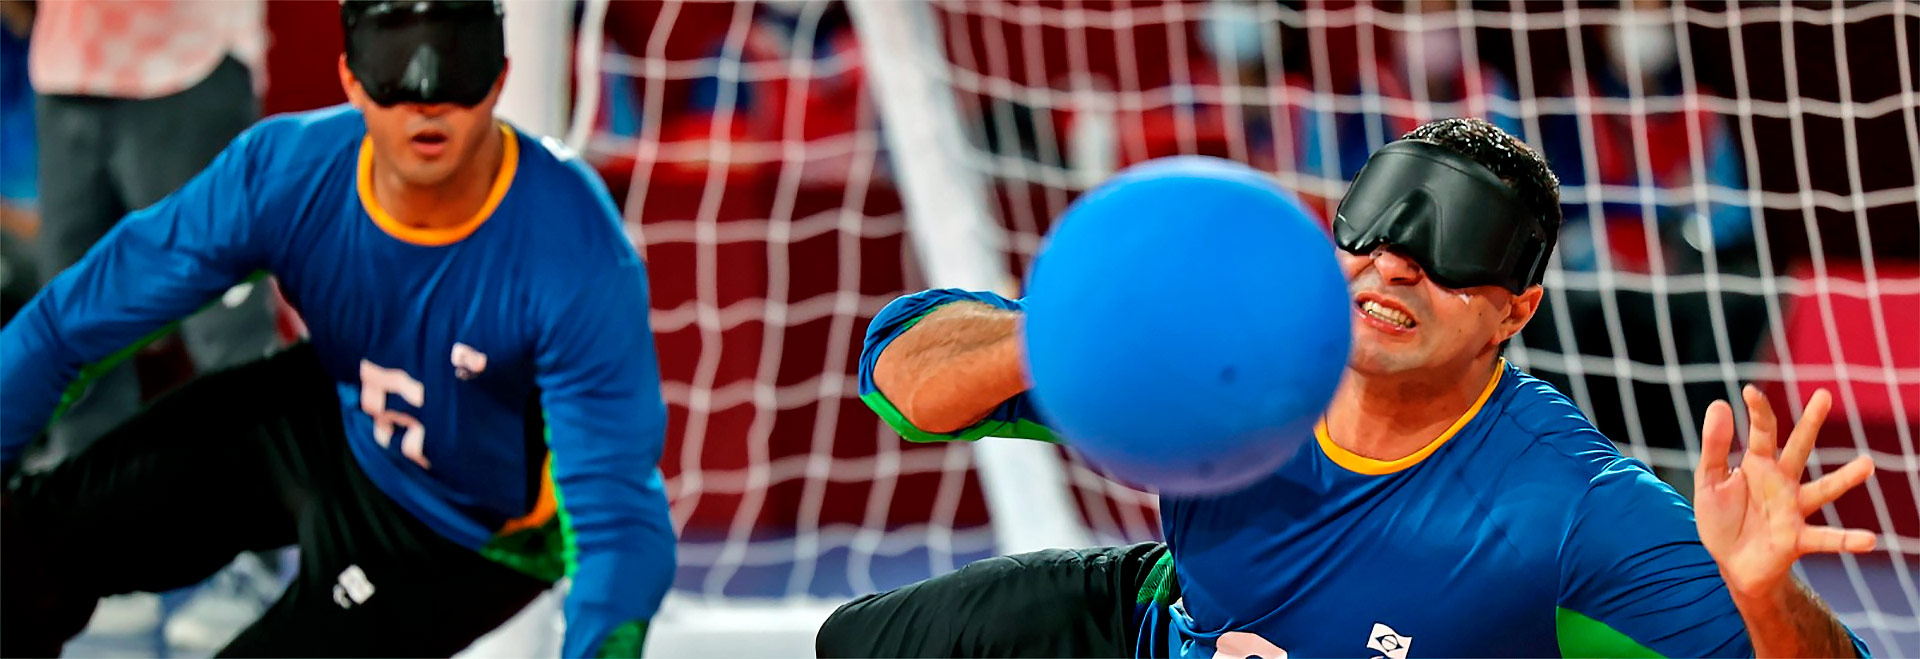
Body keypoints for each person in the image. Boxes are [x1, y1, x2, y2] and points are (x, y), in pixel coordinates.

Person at [819, 118, 1879, 658]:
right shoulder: (1240, 356)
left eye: (1455, 242)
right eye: (1377, 222)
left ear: (1516, 307)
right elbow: (900, 383)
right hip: (1165, 620)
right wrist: (1068, 331)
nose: (1396, 264)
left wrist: (1760, 588)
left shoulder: (1569, 506)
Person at [0, 2, 674, 657]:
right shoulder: (287, 174)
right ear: (350, 76)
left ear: (499, 77)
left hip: (464, 531)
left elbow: (620, 527)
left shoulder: (575, 250)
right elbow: (69, 325)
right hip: (339, 412)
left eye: (458, 57)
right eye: (394, 58)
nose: (426, 92)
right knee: (20, 550)